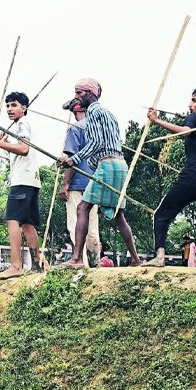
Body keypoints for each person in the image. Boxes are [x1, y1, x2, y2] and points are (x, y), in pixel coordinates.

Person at [57, 78, 141, 268]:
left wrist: (73, 159)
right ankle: (135, 259)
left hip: (107, 165)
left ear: (91, 93)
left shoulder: (93, 113)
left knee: (82, 208)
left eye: (79, 93)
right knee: (118, 214)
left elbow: (95, 143)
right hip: (120, 165)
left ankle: (77, 259)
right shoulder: (109, 113)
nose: (77, 97)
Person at [144, 87, 196, 268]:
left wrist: (156, 120)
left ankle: (160, 256)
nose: (190, 105)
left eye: (194, 101)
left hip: (192, 178)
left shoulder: (194, 119)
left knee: (162, 214)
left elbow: (185, 132)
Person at [0, 92, 41, 279]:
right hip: (31, 179)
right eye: (8, 105)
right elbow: (18, 151)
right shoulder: (21, 126)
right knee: (27, 223)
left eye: (14, 105)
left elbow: (23, 149)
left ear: (24, 108)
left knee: (12, 219)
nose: (10, 109)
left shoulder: (21, 124)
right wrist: (3, 143)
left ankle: (16, 265)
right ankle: (37, 263)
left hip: (21, 181)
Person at [58, 99, 100, 267]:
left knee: (75, 225)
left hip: (77, 184)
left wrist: (65, 184)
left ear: (75, 111)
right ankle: (95, 262)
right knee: (92, 226)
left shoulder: (76, 128)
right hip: (95, 183)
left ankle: (80, 262)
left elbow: (71, 160)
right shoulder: (97, 128)